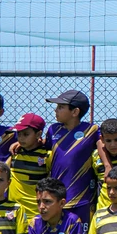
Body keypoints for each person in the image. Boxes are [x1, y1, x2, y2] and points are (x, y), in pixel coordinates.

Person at [46, 90, 100, 225]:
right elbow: (42, 147)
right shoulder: (53, 130)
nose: (56, 110)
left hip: (83, 199)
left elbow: (111, 138)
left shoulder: (92, 130)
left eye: (61, 107)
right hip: (57, 199)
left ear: (75, 112)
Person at [5, 114, 52, 223]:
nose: (21, 138)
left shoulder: (47, 156)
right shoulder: (15, 154)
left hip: (36, 213)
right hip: (13, 213)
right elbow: (1, 171)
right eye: (19, 134)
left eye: (26, 134)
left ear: (38, 134)